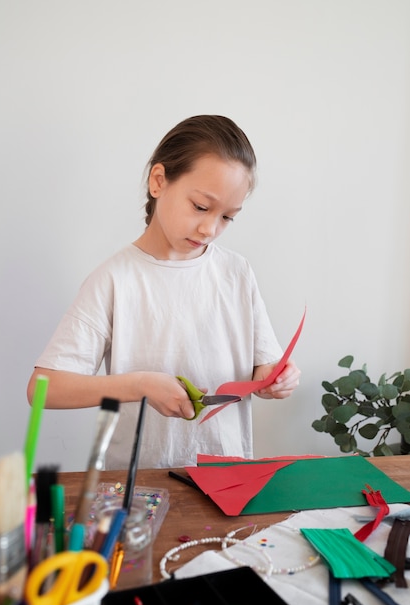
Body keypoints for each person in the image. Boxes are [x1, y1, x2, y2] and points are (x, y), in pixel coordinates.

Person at [27, 114, 301, 469]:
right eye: (201, 207)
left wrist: (274, 379)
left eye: (227, 217)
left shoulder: (237, 272)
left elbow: (263, 366)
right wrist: (139, 385)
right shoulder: (115, 279)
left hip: (226, 477)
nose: (210, 228)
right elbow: (43, 388)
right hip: (139, 486)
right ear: (159, 181)